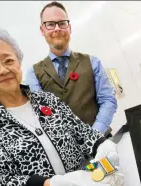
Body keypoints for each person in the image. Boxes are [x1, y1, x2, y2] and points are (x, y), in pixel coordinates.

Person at [0, 24, 122, 186]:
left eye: (8, 60)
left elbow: (83, 134)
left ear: (18, 63)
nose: (3, 70)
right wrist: (56, 185)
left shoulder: (48, 101)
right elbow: (2, 185)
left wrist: (103, 146)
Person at [25, 1, 117, 137]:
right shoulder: (34, 73)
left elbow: (108, 101)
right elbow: (42, 114)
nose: (57, 29)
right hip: (65, 153)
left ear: (69, 27)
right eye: (50, 24)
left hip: (102, 143)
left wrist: (93, 135)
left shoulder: (92, 62)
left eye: (62, 23)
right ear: (42, 30)